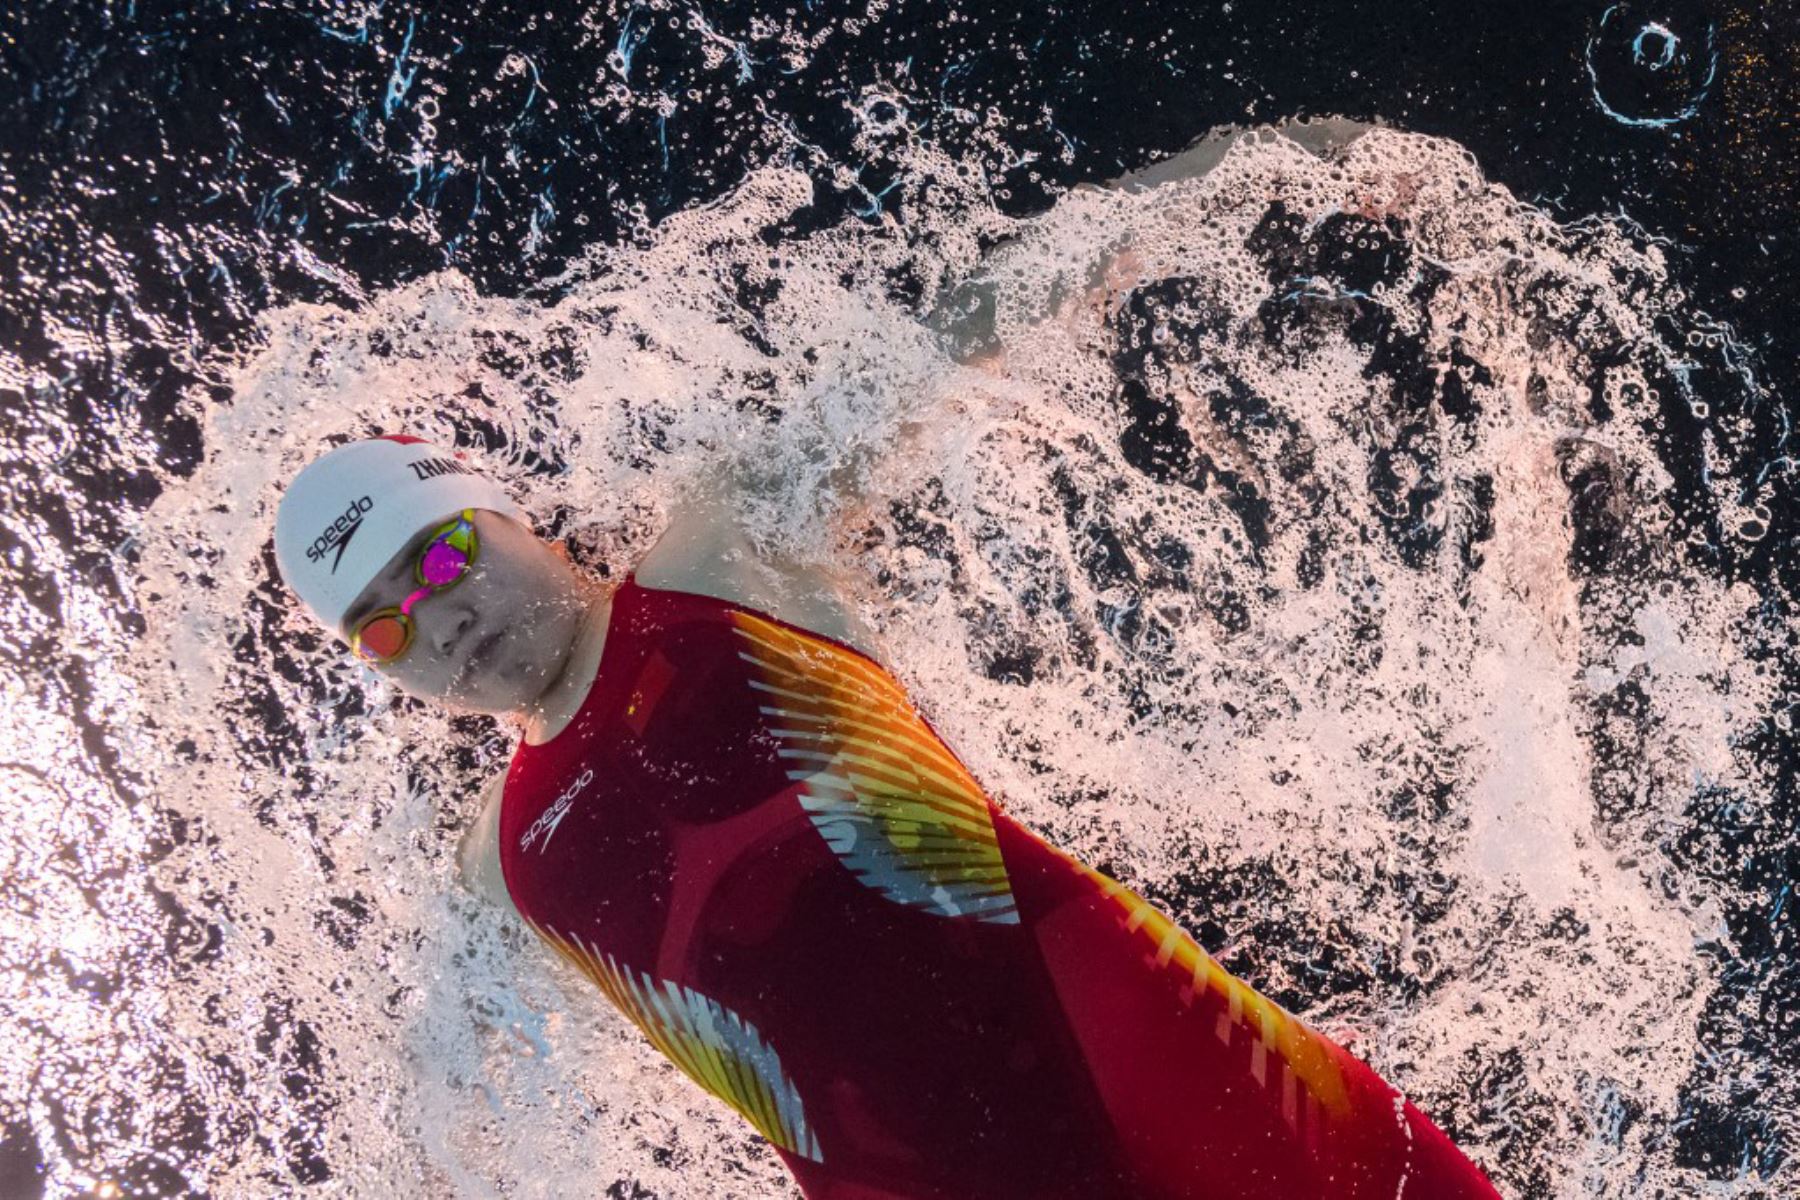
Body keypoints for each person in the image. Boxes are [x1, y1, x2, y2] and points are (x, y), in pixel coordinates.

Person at [274, 433, 1499, 1199]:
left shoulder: (723, 560)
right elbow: (430, 1135)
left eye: (439, 560)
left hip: (1160, 1064)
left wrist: (1228, 172)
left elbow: (956, 335)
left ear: (504, 512)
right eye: (384, 625)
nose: (439, 624)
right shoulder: (497, 873)